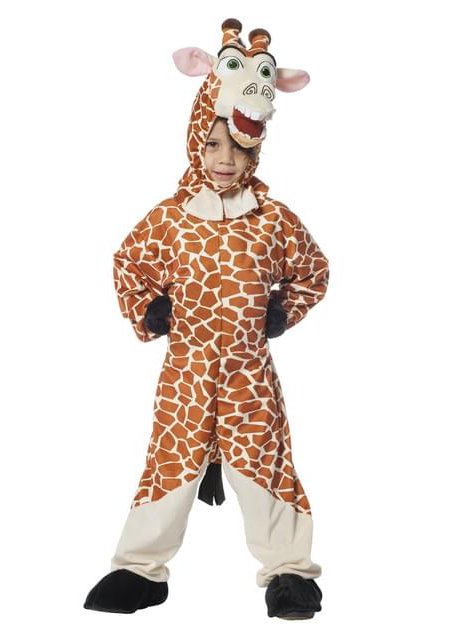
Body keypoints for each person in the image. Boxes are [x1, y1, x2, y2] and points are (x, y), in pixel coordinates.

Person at [84, 18, 329, 620]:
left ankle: (289, 572)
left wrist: (283, 309)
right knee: (169, 460)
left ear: (255, 149)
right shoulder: (169, 219)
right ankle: (140, 570)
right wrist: (149, 308)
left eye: (239, 148)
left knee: (267, 462)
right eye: (214, 144)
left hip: (249, 373)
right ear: (197, 139)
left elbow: (314, 270)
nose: (226, 159)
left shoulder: (272, 220)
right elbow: (128, 262)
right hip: (187, 370)